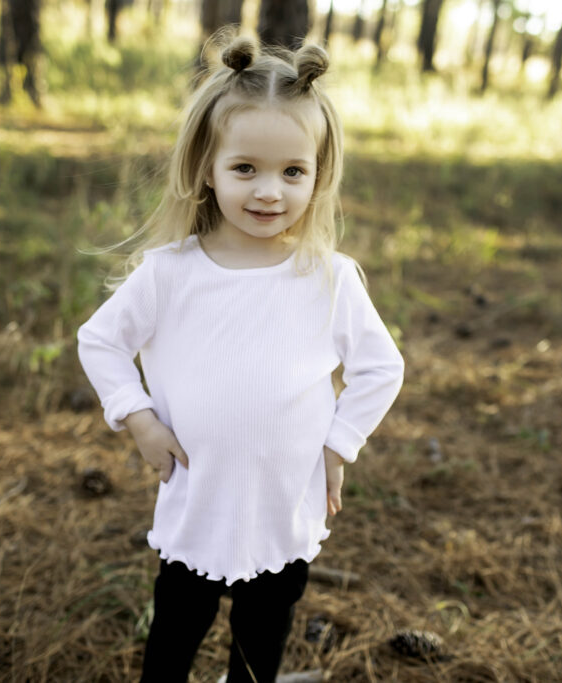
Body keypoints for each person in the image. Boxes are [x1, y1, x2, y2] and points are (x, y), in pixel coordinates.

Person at [76, 34, 404, 683]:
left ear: (318, 173)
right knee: (174, 632)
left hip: (286, 505)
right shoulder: (170, 274)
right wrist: (138, 418)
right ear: (207, 165)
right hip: (198, 503)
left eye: (293, 172)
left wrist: (338, 445)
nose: (269, 191)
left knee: (261, 639)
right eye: (245, 168)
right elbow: (101, 341)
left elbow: (380, 368)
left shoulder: (328, 278)